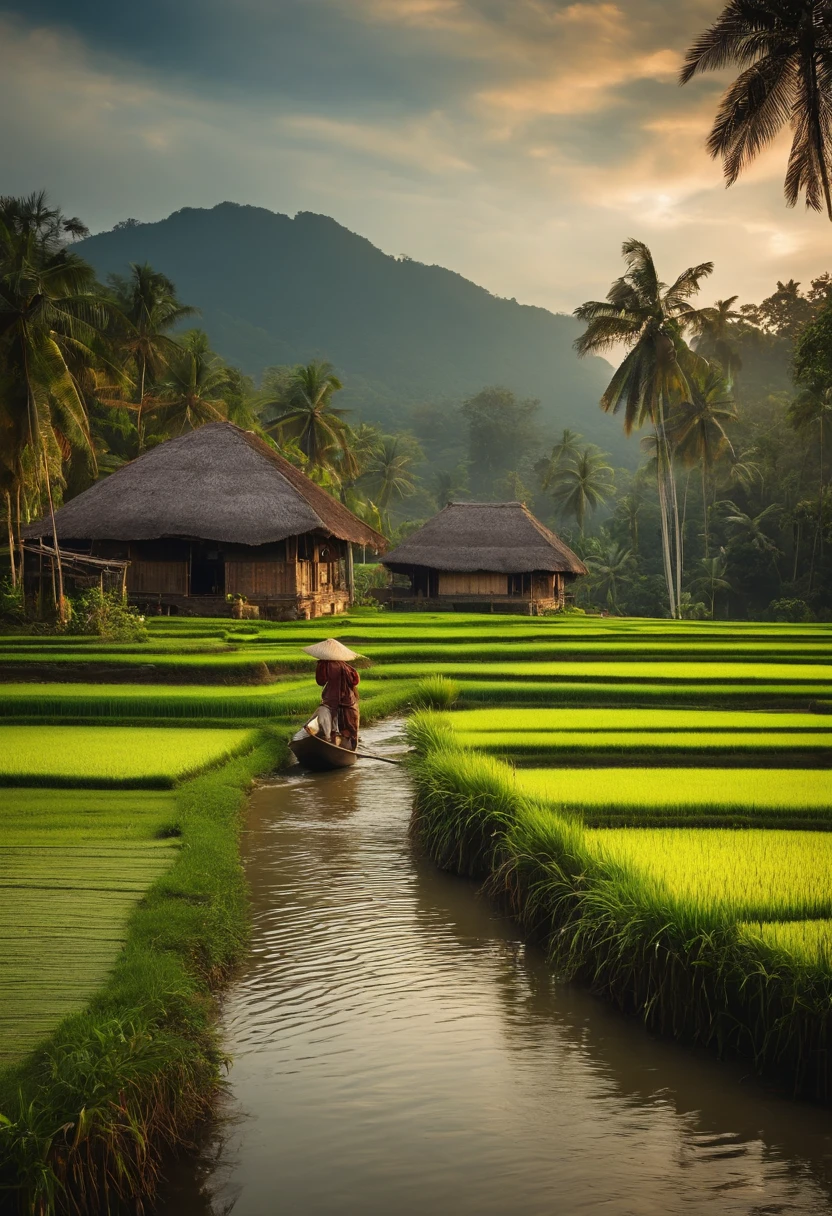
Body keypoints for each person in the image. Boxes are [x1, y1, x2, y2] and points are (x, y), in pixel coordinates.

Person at [304, 638, 361, 750]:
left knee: (331, 728)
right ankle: (351, 747)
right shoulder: (348, 667)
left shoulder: (324, 665)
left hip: (331, 701)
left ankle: (329, 741)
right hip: (349, 702)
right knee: (351, 729)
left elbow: (321, 681)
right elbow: (355, 681)